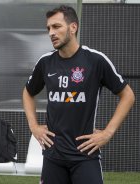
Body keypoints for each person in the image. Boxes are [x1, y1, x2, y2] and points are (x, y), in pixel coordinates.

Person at [22, 5, 135, 184]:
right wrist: (33, 126)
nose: (51, 32)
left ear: (73, 27)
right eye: (49, 28)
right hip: (53, 156)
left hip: (85, 155)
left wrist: (107, 133)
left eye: (57, 26)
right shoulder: (45, 62)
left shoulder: (95, 60)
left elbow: (127, 95)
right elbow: (28, 93)